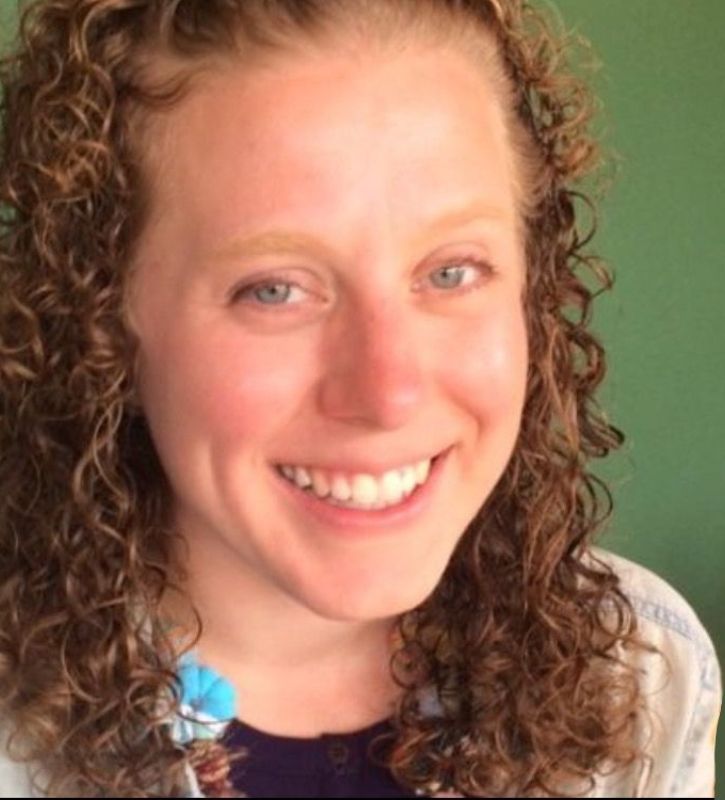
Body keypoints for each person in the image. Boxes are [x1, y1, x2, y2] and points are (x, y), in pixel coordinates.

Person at [0, 0, 720, 796]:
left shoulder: (640, 678)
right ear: (105, 317)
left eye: (451, 271)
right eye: (273, 289)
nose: (388, 393)